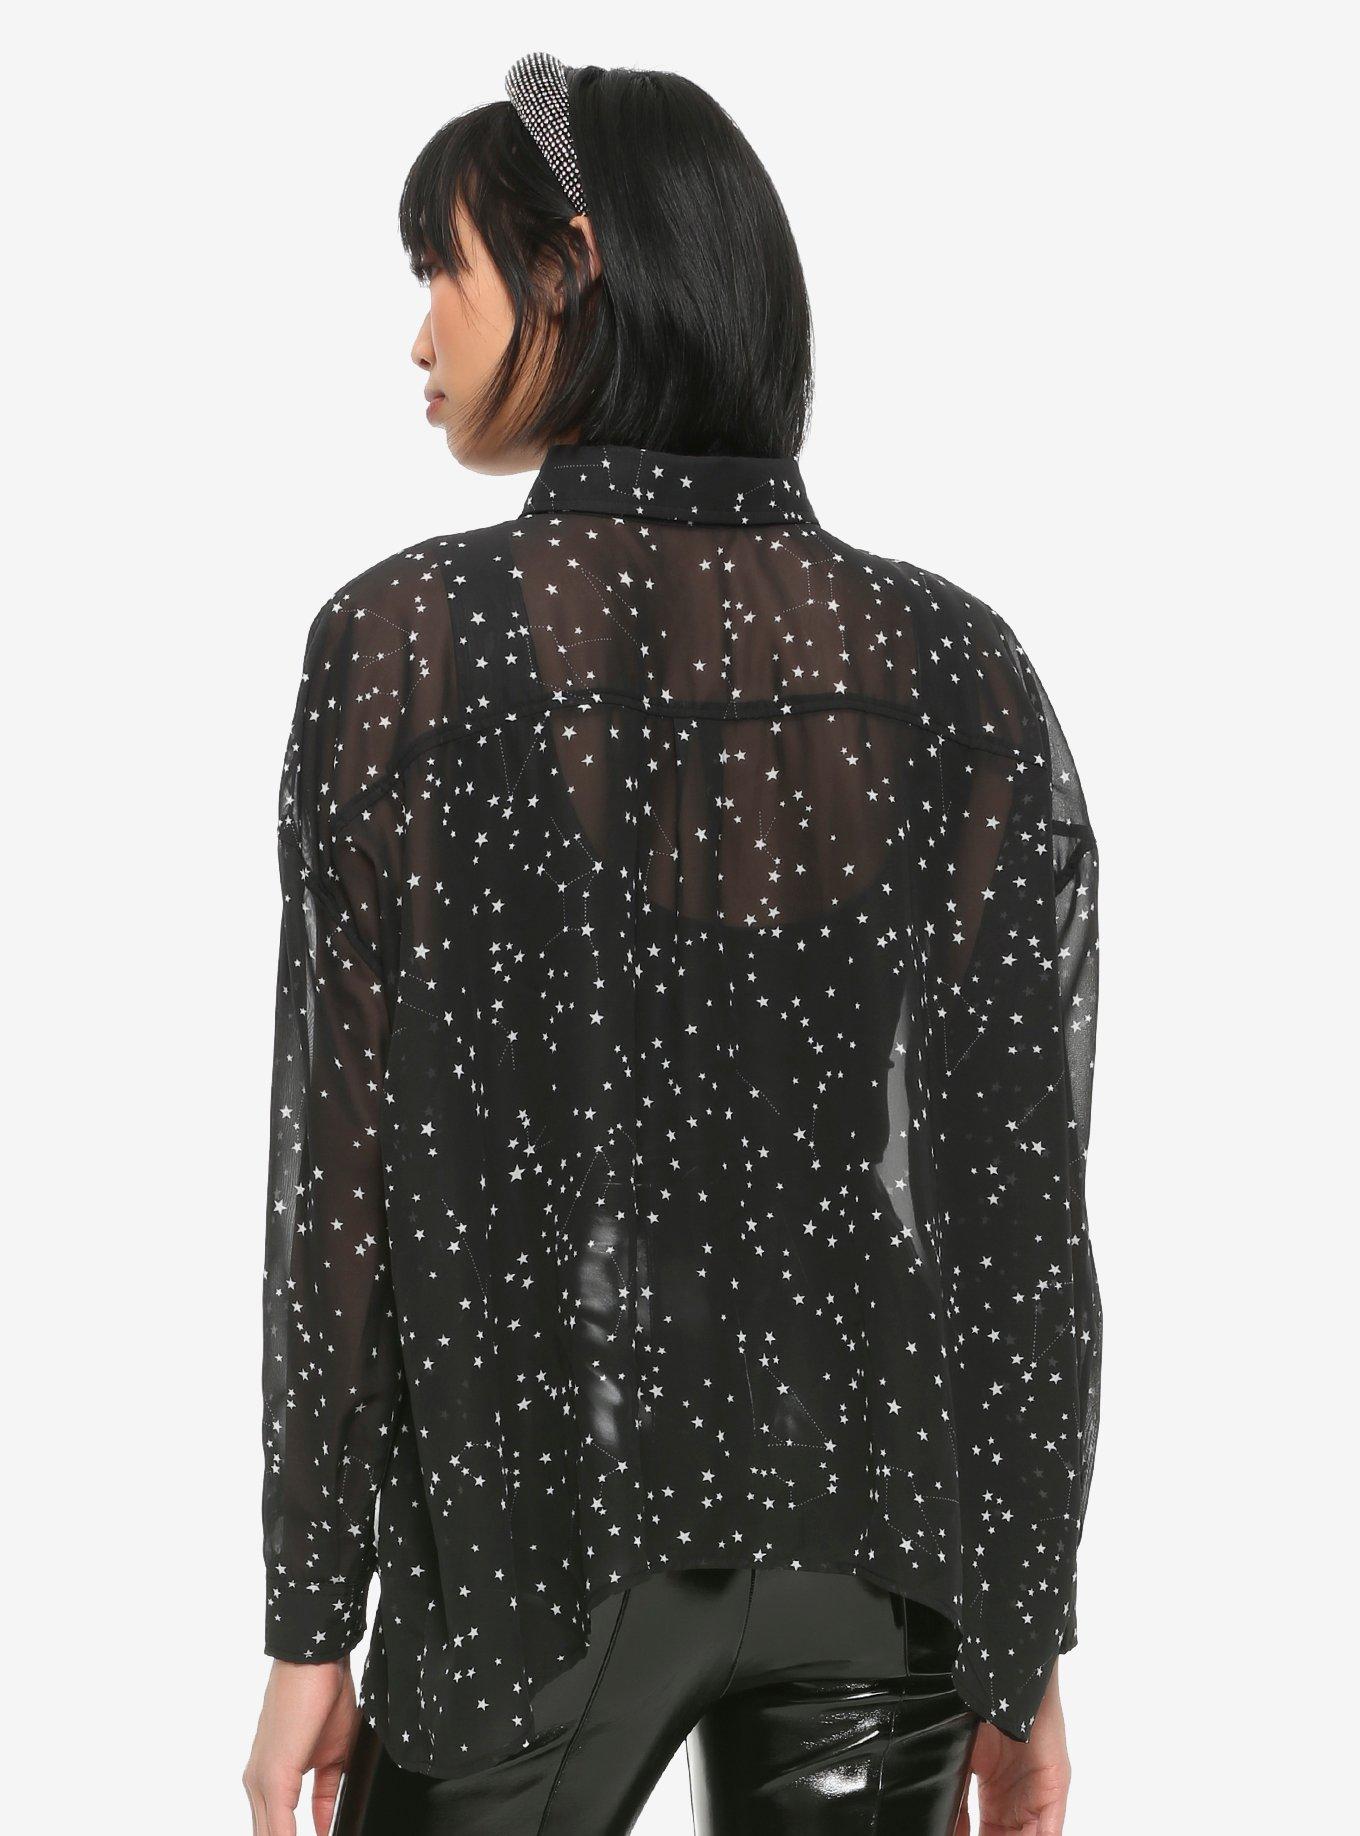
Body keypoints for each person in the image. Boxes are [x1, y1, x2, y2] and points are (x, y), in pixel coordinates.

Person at [243, 52, 1101, 1836]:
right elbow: (1018, 1206)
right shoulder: (952, 662)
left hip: (545, 1547)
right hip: (885, 1561)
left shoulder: (409, 642)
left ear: (570, 270)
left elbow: (340, 1180)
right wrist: (1021, 1639)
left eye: (441, 269)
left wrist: (313, 1621)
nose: (418, 334)